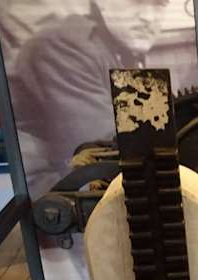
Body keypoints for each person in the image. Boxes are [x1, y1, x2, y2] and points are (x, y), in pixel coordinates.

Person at [10, 0, 170, 195]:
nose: (148, 17)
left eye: (160, 4)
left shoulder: (123, 52)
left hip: (93, 180)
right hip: (52, 192)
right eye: (136, 1)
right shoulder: (65, 45)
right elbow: (102, 149)